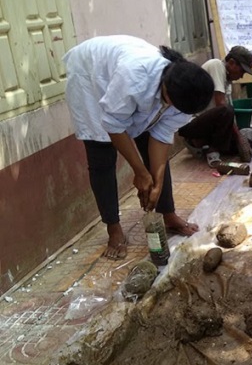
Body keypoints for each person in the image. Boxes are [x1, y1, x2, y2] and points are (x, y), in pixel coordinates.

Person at [64, 35, 214, 260]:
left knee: (148, 141)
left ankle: (168, 214)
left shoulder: (184, 96)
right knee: (101, 153)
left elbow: (161, 137)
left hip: (124, 77)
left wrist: (157, 180)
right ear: (166, 88)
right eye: (170, 102)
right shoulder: (134, 76)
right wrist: (140, 172)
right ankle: (114, 229)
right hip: (90, 75)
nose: (171, 108)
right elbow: (113, 125)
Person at [178, 46, 252, 167]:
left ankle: (204, 145)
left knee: (249, 144)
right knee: (226, 111)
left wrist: (241, 140)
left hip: (209, 125)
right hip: (191, 124)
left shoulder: (227, 80)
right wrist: (239, 136)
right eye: (242, 71)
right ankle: (208, 148)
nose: (241, 76)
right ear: (231, 63)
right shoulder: (216, 65)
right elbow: (222, 105)